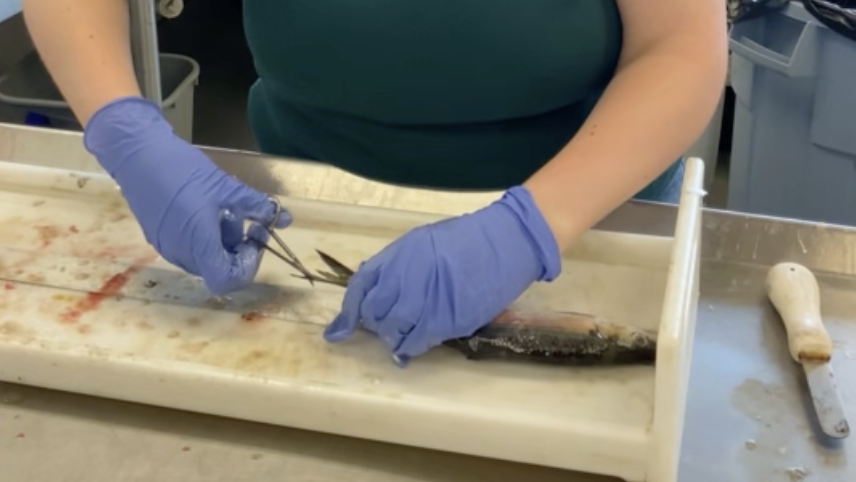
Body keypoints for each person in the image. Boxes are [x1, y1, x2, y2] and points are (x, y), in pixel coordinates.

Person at [22, 0, 728, 365]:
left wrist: (533, 227)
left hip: (582, 228)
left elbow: (680, 47)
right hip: (313, 216)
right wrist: (124, 131)